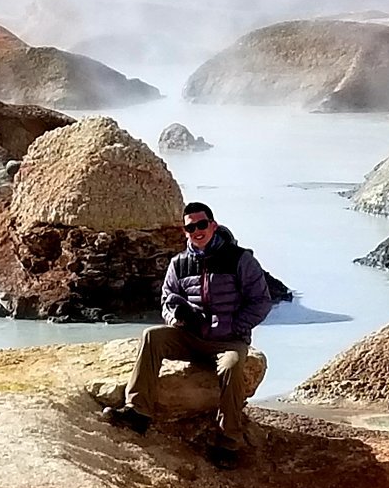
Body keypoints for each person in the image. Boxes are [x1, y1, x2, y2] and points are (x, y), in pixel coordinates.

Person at [102, 201, 273, 470]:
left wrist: (235, 326)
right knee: (152, 336)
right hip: (191, 337)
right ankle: (137, 412)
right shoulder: (179, 264)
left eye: (201, 224)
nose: (196, 231)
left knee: (231, 365)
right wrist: (175, 319)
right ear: (185, 231)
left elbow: (261, 302)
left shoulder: (240, 259)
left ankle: (229, 440)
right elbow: (167, 299)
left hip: (228, 340)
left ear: (213, 226)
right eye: (190, 227)